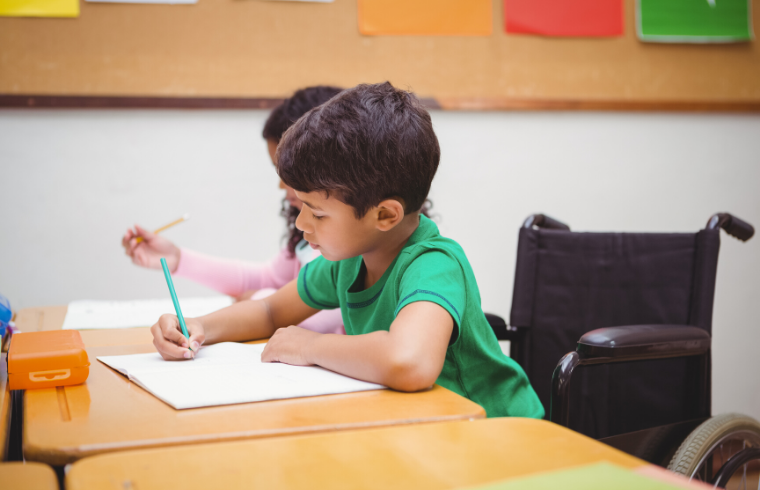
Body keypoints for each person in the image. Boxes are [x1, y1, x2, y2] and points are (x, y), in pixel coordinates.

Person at [149, 82, 543, 418]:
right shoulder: (351, 260)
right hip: (423, 429)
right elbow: (270, 310)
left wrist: (311, 346)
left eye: (317, 213)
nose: (302, 224)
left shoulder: (433, 264)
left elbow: (410, 362)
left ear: (385, 215)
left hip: (500, 436)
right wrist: (199, 327)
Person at [122, 86, 346, 335]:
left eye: (290, 173)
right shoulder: (313, 241)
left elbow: (305, 318)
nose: (281, 185)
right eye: (279, 170)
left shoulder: (346, 247)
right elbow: (269, 283)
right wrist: (177, 259)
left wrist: (256, 299)